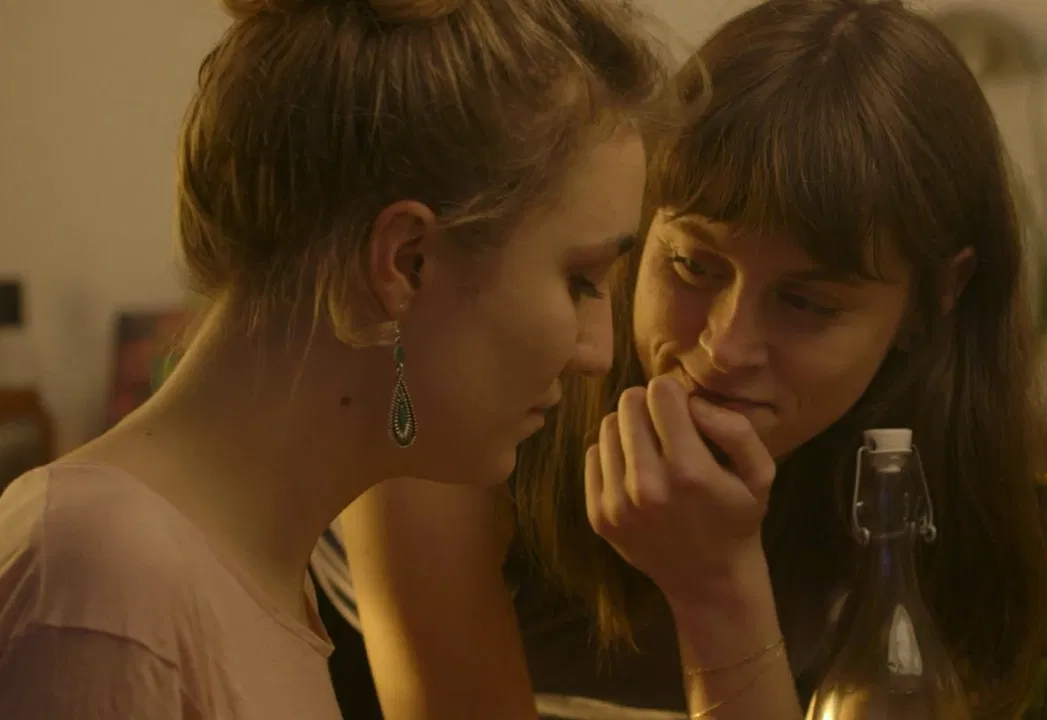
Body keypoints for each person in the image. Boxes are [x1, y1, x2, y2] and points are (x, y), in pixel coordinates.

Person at [318, 0, 1047, 719]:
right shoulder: (451, 396)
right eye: (693, 266)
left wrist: (715, 584)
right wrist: (720, 588)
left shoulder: (929, 476)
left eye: (807, 303)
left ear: (932, 301)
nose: (725, 348)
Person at [0, 0, 676, 717]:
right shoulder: (101, 586)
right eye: (580, 281)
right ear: (407, 261)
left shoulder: (257, 578)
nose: (596, 353)